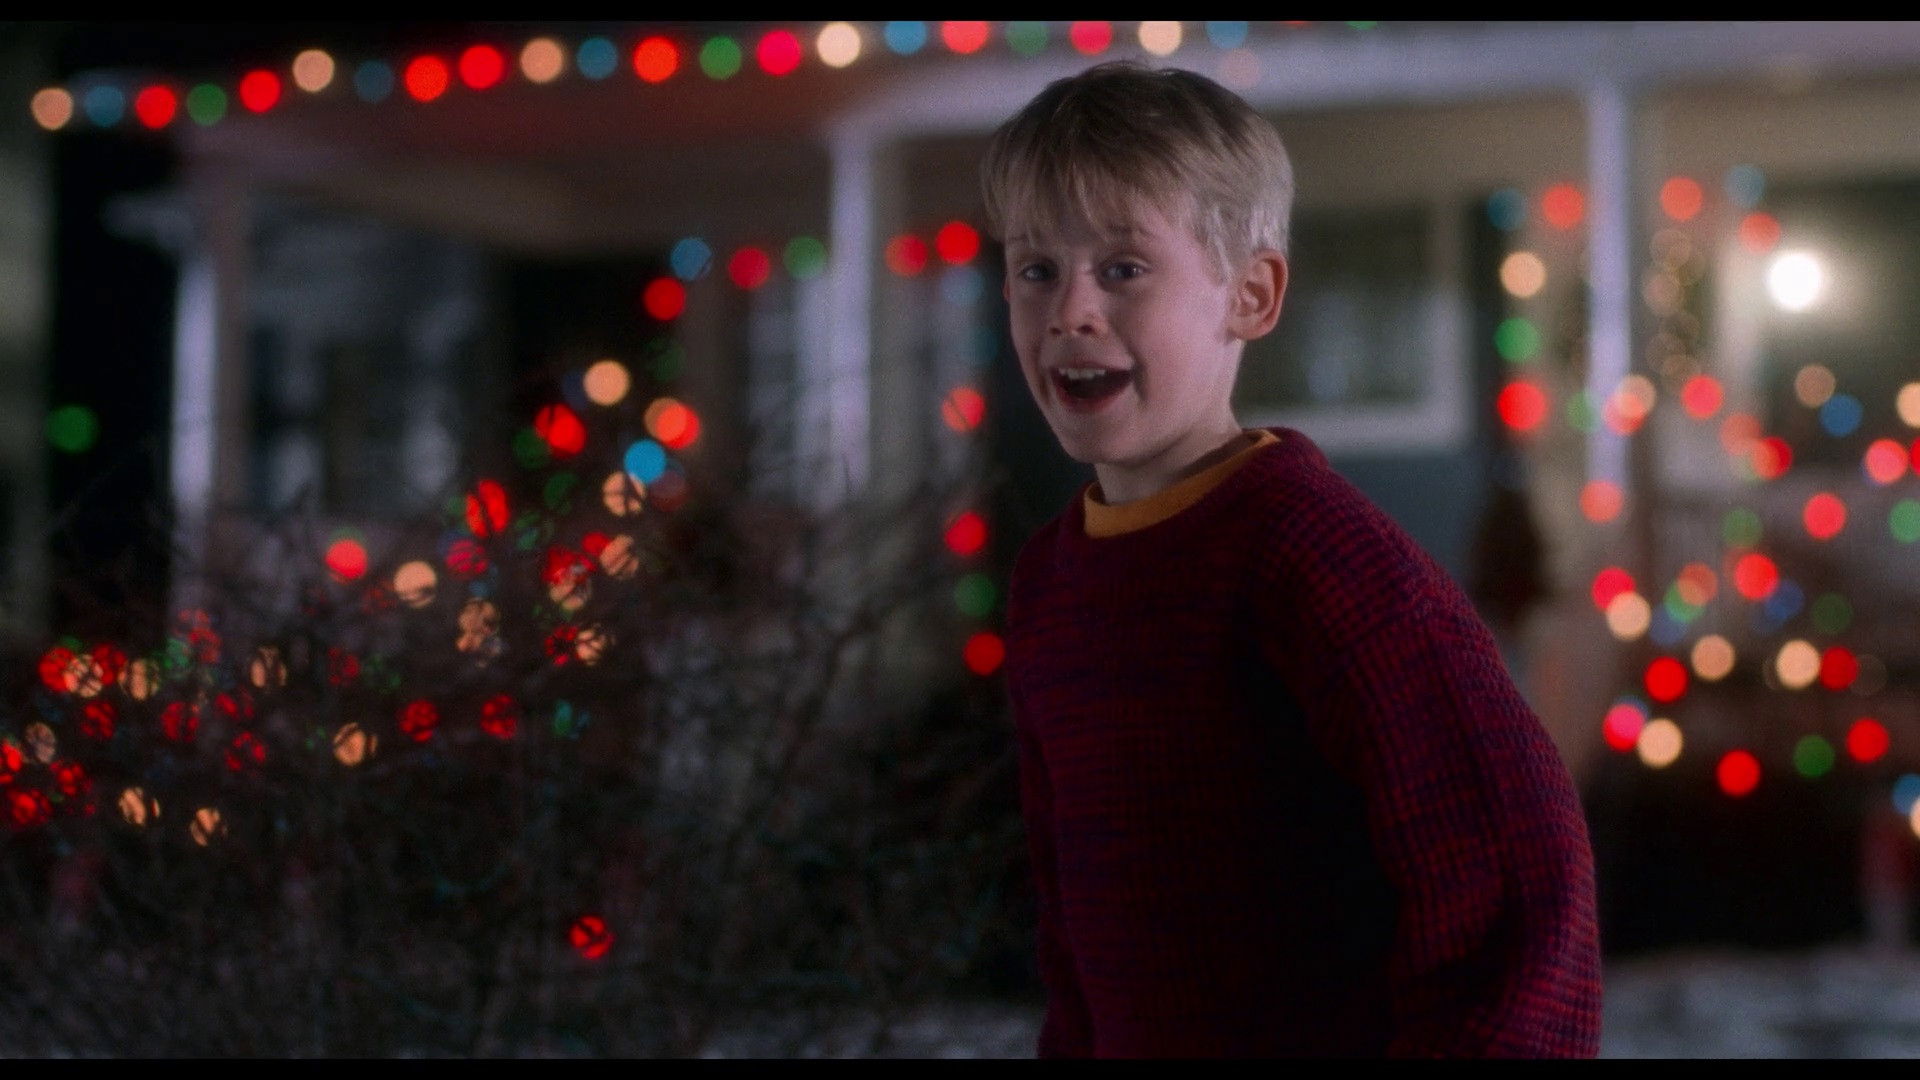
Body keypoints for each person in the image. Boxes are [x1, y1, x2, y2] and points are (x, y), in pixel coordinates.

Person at [983, 61, 1602, 1058]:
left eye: (1124, 268)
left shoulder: (1314, 554)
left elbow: (1518, 875)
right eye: (1036, 269)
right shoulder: (1049, 584)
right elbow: (1072, 933)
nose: (1070, 310)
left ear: (1251, 294)